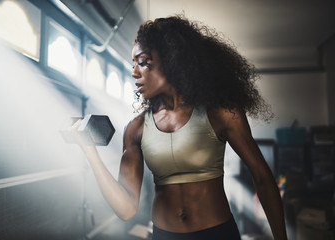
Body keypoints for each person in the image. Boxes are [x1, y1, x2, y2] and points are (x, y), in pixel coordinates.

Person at [71, 15, 287, 240]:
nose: (135, 72)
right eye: (133, 64)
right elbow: (126, 210)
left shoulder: (220, 113)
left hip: (218, 234)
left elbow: (262, 177)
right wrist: (90, 153)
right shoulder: (136, 129)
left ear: (171, 60)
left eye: (143, 62)